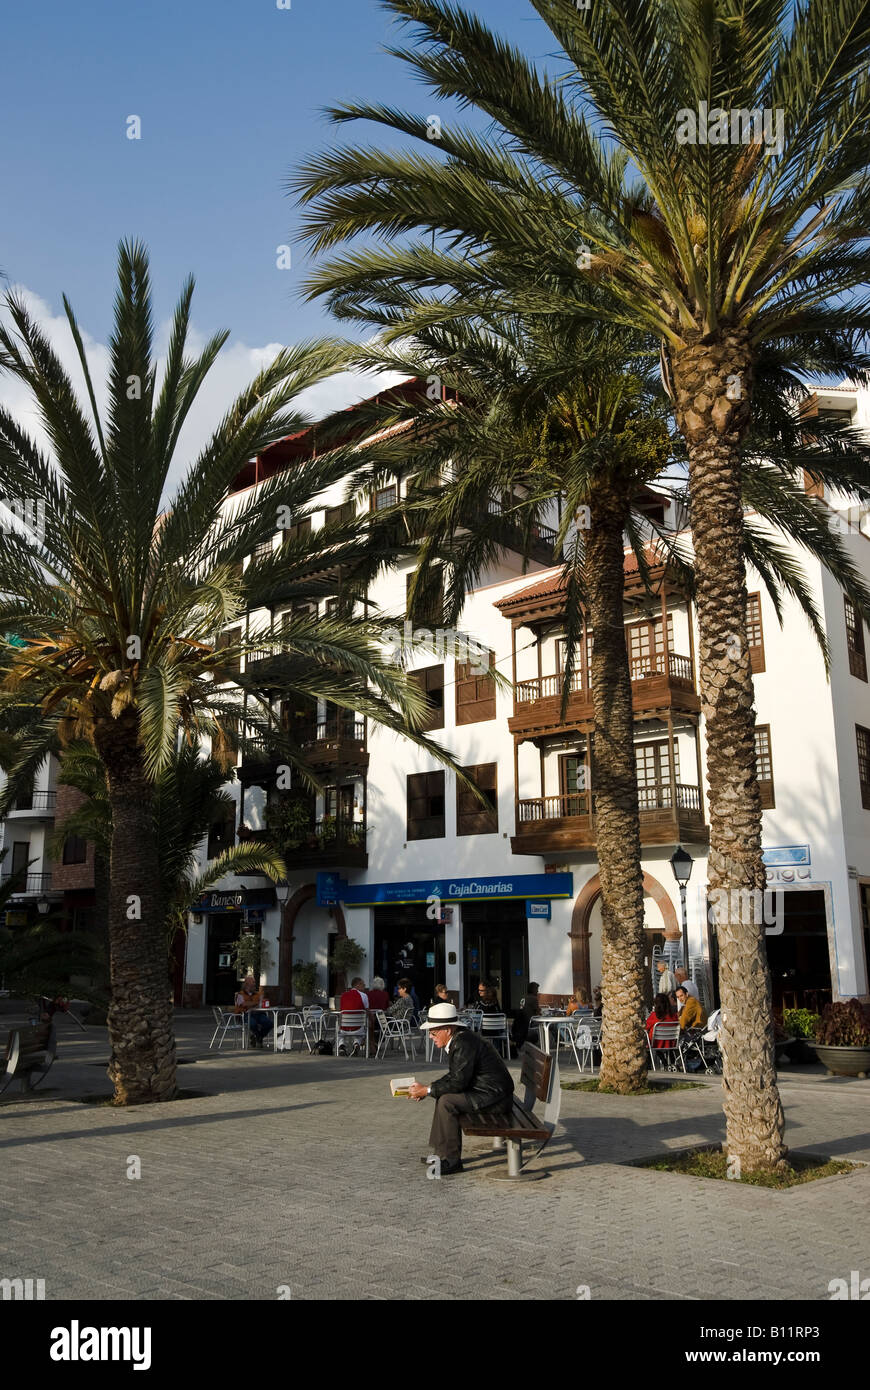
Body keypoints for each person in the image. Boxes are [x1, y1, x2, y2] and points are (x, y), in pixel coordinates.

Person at [407, 1003, 514, 1175]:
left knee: (447, 1102)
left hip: (496, 1099)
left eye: (433, 1033)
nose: (430, 1037)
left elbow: (458, 1082)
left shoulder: (463, 1043)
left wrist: (427, 1090)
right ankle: (441, 1154)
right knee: (443, 1097)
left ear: (447, 1030)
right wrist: (429, 1089)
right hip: (490, 1093)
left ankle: (452, 1160)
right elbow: (455, 1076)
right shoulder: (461, 1039)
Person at [234, 974, 269, 1047]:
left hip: (258, 1014)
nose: (254, 984)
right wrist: (256, 1003)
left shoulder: (257, 994)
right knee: (252, 1023)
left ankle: (257, 1037)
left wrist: (261, 999)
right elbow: (244, 1004)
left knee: (269, 1023)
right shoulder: (240, 994)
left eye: (254, 983)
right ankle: (258, 1037)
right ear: (247, 984)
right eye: (252, 983)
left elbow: (261, 1004)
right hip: (245, 1015)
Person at [338, 976, 369, 1054]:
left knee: (339, 1031)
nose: (365, 987)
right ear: (358, 985)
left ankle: (341, 1045)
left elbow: (341, 1011)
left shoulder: (343, 995)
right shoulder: (364, 996)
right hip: (358, 1028)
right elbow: (367, 1012)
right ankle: (356, 1043)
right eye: (363, 985)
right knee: (363, 1026)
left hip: (344, 1028)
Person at [512, 981, 540, 1049]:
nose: (538, 991)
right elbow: (538, 1013)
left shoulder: (523, 998)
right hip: (530, 1023)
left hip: (520, 1025)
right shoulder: (534, 998)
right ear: (533, 990)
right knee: (550, 1026)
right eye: (536, 989)